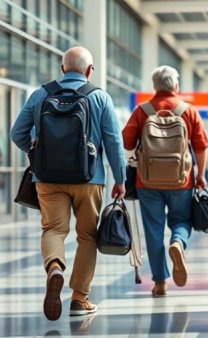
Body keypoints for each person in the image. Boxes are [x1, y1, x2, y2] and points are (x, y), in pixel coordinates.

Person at [10, 46, 126, 320]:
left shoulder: (40, 94)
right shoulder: (100, 97)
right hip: (90, 177)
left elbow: (17, 133)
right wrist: (120, 180)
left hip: (47, 178)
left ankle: (54, 267)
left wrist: (35, 153)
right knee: (87, 236)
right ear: (89, 70)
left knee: (53, 230)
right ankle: (79, 298)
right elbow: (113, 142)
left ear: (62, 69)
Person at [121, 65, 208, 297]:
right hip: (181, 180)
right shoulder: (188, 111)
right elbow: (201, 146)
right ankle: (178, 243)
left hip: (147, 182)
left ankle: (160, 282)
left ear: (155, 86)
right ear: (176, 86)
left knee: (153, 230)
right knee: (182, 220)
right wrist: (201, 175)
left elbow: (127, 142)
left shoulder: (142, 111)